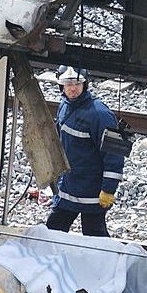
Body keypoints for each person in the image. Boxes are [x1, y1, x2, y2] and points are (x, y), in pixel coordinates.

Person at [46, 65, 125, 237]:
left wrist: (108, 189)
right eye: (68, 84)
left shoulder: (100, 114)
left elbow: (115, 153)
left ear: (85, 84)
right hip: (69, 187)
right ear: (61, 86)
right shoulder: (64, 107)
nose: (73, 88)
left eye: (77, 83)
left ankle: (105, 264)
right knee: (52, 231)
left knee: (95, 237)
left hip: (93, 192)